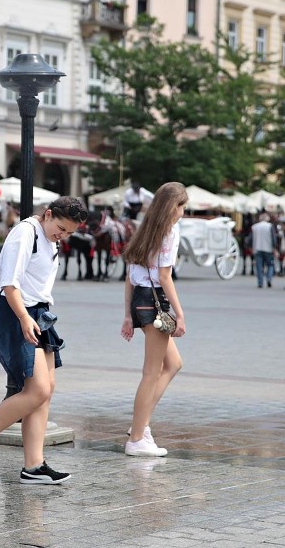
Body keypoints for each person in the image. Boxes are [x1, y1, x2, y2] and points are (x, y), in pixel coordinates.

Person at [0, 196, 88, 484]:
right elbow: (10, 283)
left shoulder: (50, 238)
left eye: (69, 232)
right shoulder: (25, 232)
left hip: (38, 313)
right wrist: (22, 317)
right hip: (16, 312)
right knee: (37, 390)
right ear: (47, 214)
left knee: (46, 389)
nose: (63, 236)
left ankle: (33, 466)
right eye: (61, 228)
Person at [121, 182, 188, 458]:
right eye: (182, 206)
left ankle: (140, 423)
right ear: (172, 207)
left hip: (141, 299)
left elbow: (129, 277)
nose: (183, 211)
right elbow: (164, 276)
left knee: (173, 363)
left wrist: (128, 314)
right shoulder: (168, 232)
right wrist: (180, 313)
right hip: (155, 301)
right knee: (151, 372)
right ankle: (137, 437)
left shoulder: (144, 230)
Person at [250, 212, 278, 289]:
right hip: (268, 249)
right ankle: (269, 278)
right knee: (270, 265)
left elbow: (250, 239)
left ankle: (260, 282)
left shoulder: (254, 227)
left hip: (257, 248)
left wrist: (251, 247)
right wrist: (275, 248)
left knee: (259, 267)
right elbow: (273, 238)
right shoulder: (270, 226)